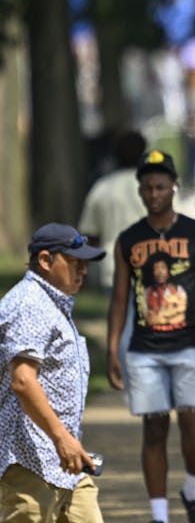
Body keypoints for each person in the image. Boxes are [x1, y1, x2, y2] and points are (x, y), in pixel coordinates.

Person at [106, 149, 195, 523]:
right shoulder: (129, 240)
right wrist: (113, 349)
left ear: (174, 186)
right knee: (154, 426)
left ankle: (192, 487)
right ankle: (159, 514)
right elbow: (120, 298)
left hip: (189, 344)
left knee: (194, 423)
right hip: (144, 350)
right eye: (146, 187)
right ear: (139, 191)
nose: (153, 192)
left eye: (160, 185)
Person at [0, 223, 105, 522]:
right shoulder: (30, 304)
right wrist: (61, 438)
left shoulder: (53, 304)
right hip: (29, 462)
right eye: (75, 262)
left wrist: (67, 443)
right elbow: (22, 380)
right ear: (45, 260)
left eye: (85, 263)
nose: (84, 270)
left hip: (66, 462)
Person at [78, 129, 147, 291]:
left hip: (114, 267)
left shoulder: (102, 188)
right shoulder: (157, 188)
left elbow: (90, 234)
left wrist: (81, 267)